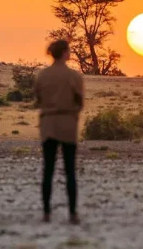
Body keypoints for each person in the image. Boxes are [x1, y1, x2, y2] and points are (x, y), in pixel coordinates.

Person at [33, 40, 85, 225]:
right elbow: (80, 102)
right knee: (70, 170)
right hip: (68, 124)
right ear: (64, 53)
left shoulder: (42, 75)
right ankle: (72, 213)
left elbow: (38, 99)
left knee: (48, 170)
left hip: (48, 124)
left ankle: (46, 213)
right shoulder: (74, 76)